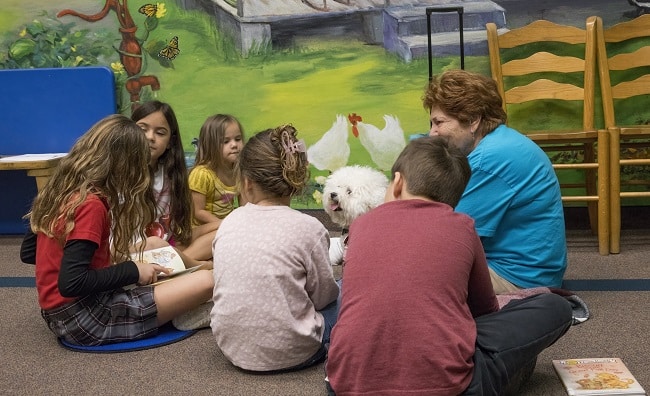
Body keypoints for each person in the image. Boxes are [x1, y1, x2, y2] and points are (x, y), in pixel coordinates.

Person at [325, 136, 573, 395]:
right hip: (450, 387)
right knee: (555, 306)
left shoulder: (361, 226)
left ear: (397, 182)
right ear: (455, 197)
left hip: (345, 384)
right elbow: (484, 310)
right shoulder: (463, 225)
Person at [20, 114, 214, 346]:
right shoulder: (90, 205)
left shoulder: (62, 190)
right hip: (86, 318)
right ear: (123, 165)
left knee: (153, 245)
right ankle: (189, 313)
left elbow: (29, 253)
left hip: (59, 314)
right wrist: (132, 271)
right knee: (206, 281)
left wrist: (113, 264)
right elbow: (71, 283)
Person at [423, 69, 568, 293]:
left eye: (439, 123)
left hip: (517, 279)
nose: (432, 133)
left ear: (472, 120)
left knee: (414, 272)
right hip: (532, 271)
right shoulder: (502, 141)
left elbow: (448, 238)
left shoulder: (488, 161)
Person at [209, 124, 340, 372]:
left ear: (246, 183)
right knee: (346, 292)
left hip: (232, 349)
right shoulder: (309, 228)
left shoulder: (229, 222)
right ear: (296, 180)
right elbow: (324, 297)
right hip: (298, 352)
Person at [131, 101, 212, 264]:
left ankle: (180, 261)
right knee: (206, 279)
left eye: (160, 133)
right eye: (142, 129)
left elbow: (174, 231)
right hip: (136, 251)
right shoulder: (120, 174)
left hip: (166, 245)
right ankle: (193, 264)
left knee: (225, 228)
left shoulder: (170, 173)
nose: (150, 137)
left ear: (170, 142)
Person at [185, 114, 245, 258]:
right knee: (222, 232)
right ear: (210, 145)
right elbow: (197, 211)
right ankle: (186, 258)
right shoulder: (202, 174)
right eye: (226, 141)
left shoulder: (239, 172)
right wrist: (225, 224)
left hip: (224, 227)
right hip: (198, 230)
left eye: (238, 139)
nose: (234, 145)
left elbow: (244, 208)